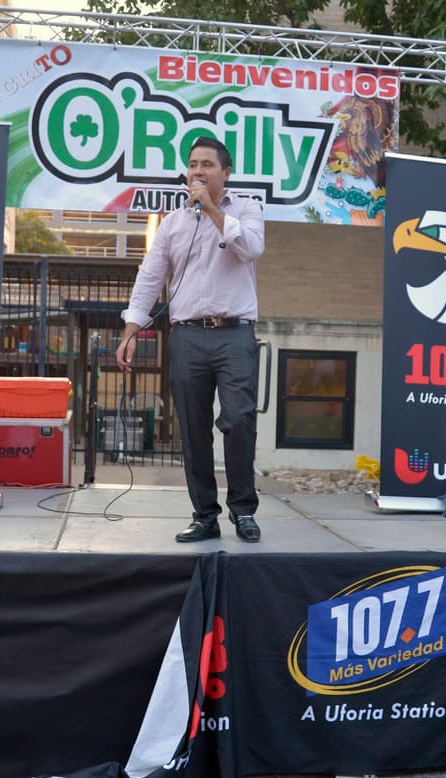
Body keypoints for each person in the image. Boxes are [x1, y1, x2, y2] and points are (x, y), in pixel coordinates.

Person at [116, 136, 265, 543]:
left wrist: (214, 210)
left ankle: (243, 510)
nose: (198, 171)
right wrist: (131, 330)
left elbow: (251, 249)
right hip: (187, 337)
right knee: (194, 429)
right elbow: (150, 277)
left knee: (238, 420)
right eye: (193, 165)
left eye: (207, 165)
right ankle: (205, 516)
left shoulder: (247, 210)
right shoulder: (174, 222)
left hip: (235, 334)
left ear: (225, 173)